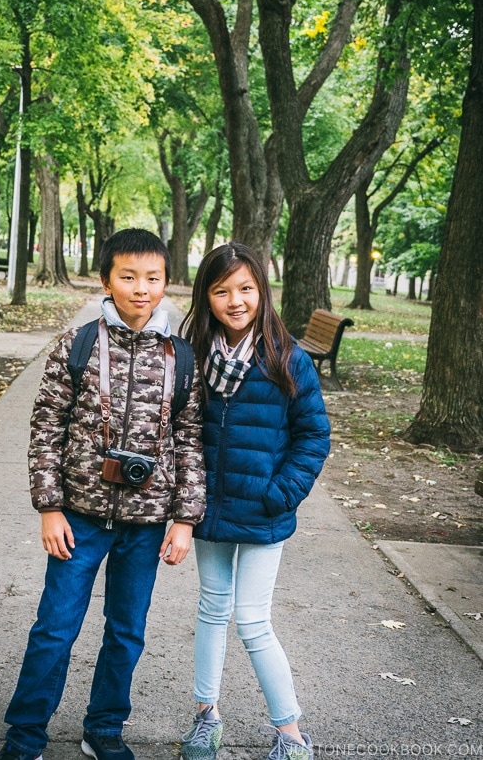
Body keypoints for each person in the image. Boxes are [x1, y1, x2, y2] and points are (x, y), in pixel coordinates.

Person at [0, 229, 206, 760]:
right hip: (79, 519)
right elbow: (47, 426)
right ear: (106, 280)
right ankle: (24, 738)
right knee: (54, 629)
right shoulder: (80, 343)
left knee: (126, 632)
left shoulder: (181, 356)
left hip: (146, 521)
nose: (142, 289)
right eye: (128, 277)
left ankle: (104, 730)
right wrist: (49, 507)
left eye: (152, 278)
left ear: (165, 281)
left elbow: (190, 441)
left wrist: (183, 519)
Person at [178, 242, 330, 760]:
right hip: (212, 509)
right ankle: (205, 716)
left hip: (264, 510)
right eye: (222, 290)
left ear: (263, 293)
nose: (235, 300)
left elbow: (314, 437)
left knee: (252, 620)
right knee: (211, 609)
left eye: (246, 288)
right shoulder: (195, 355)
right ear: (207, 296)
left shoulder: (288, 359)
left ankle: (290, 733)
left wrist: (281, 493)